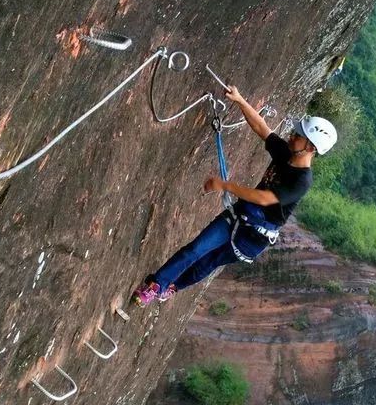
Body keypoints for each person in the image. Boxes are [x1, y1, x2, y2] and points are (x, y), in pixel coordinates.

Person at [131, 85, 337, 306]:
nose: (292, 135)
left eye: (299, 136)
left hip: (254, 237)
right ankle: (156, 285)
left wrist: (225, 185)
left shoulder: (301, 181)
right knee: (195, 249)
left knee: (207, 264)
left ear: (311, 148)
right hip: (239, 215)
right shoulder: (285, 152)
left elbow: (265, 198)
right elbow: (262, 127)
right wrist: (239, 100)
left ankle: (174, 286)